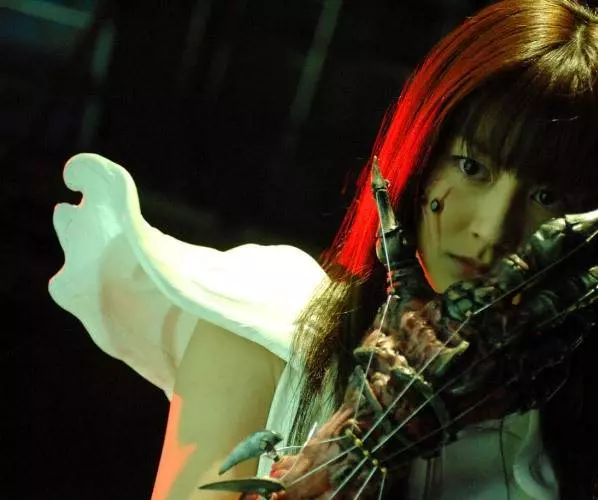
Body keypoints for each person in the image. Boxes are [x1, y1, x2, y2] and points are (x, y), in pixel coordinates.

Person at [49, 0, 598, 498]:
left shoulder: (559, 421)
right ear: (423, 150)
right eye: (472, 167)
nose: (492, 228)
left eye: (547, 196)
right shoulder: (269, 318)